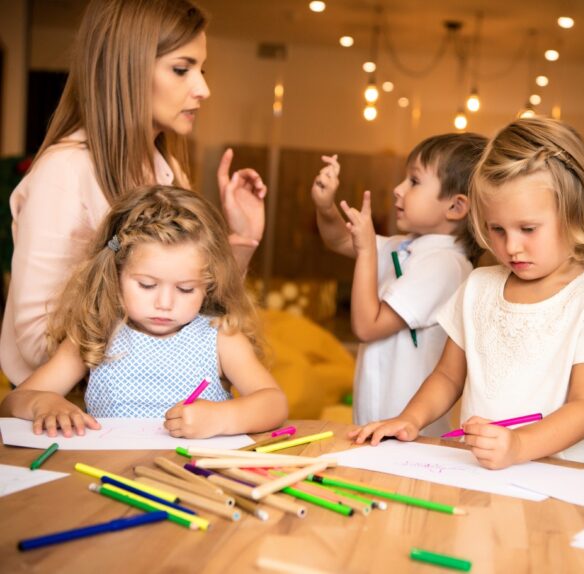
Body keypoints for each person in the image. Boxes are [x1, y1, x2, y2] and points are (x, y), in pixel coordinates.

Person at [0, 0, 266, 386]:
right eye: (181, 69)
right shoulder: (65, 173)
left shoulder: (166, 170)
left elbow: (202, 315)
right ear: (126, 70)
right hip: (72, 418)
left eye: (201, 69)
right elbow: (36, 342)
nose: (203, 89)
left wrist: (239, 241)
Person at [350, 117, 584, 468]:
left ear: (575, 214)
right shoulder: (478, 286)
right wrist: (410, 419)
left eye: (528, 228)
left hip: (560, 482)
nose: (512, 246)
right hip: (481, 471)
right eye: (497, 229)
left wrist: (518, 445)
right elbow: (447, 376)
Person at [0, 185, 288, 439]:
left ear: (209, 284)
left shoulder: (219, 336)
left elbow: (274, 403)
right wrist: (43, 404)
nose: (165, 303)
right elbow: (13, 403)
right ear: (116, 273)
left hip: (195, 478)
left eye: (186, 289)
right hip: (111, 477)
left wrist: (222, 418)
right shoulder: (97, 333)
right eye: (147, 285)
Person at [312, 133, 487, 436]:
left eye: (414, 182)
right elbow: (338, 239)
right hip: (378, 422)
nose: (398, 189)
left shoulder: (445, 265)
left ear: (456, 208)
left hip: (410, 434)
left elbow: (367, 326)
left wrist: (367, 250)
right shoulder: (407, 246)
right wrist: (326, 206)